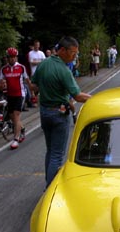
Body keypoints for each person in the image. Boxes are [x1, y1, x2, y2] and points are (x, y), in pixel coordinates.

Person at [31, 36, 92, 188]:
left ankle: (48, 184)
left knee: (50, 151)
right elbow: (77, 95)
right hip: (59, 114)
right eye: (72, 53)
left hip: (45, 113)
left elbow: (34, 86)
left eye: (75, 54)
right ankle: (51, 189)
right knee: (57, 156)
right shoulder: (64, 70)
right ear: (62, 50)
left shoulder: (44, 64)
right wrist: (97, 99)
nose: (74, 56)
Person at [0, 47, 35, 150]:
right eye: (10, 57)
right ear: (7, 58)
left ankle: (16, 138)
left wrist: (32, 93)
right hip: (10, 95)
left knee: (16, 115)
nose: (12, 59)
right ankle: (22, 129)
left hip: (20, 94)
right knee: (12, 117)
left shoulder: (21, 68)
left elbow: (28, 81)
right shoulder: (4, 69)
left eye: (14, 57)